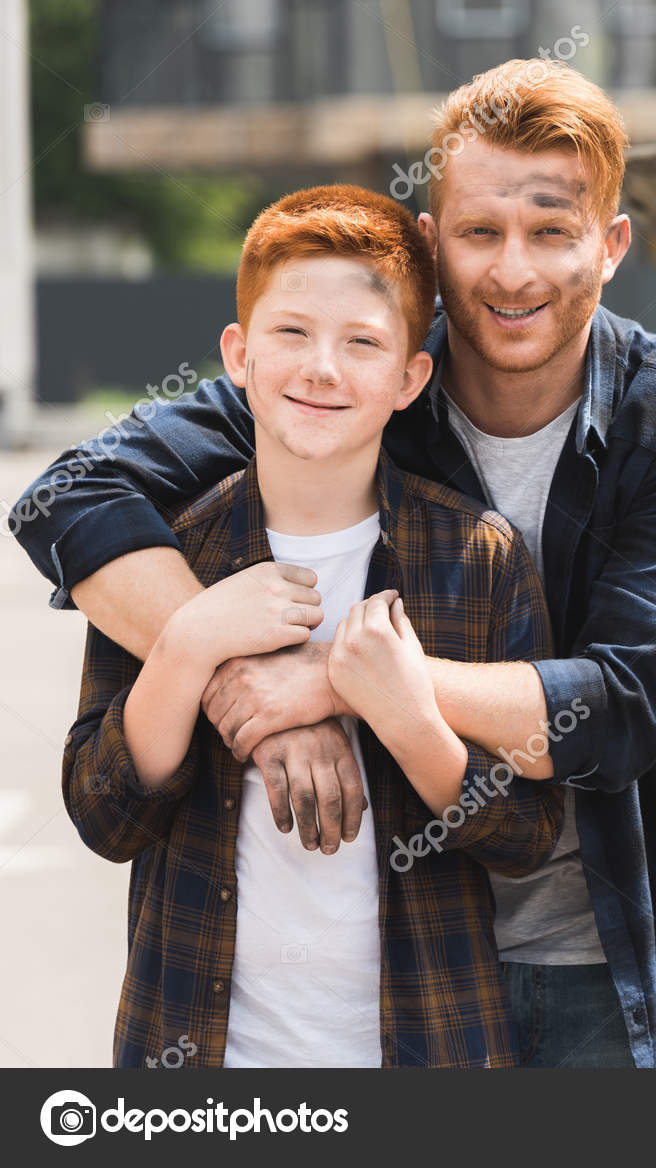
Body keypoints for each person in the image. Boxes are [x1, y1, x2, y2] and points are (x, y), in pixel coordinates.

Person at [19, 59, 656, 1067]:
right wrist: (236, 674)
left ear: (610, 245)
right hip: (406, 967)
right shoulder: (360, 373)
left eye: (551, 231)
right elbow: (64, 494)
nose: (512, 270)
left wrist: (344, 679)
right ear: (431, 240)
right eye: (478, 232)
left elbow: (623, 704)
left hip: (615, 958)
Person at [61, 184, 564, 1068]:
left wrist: (404, 716)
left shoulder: (480, 560)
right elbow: (106, 817)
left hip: (427, 1049)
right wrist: (189, 644)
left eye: (363, 343)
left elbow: (525, 835)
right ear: (239, 354)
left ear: (411, 377)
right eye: (291, 333)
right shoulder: (168, 559)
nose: (322, 368)